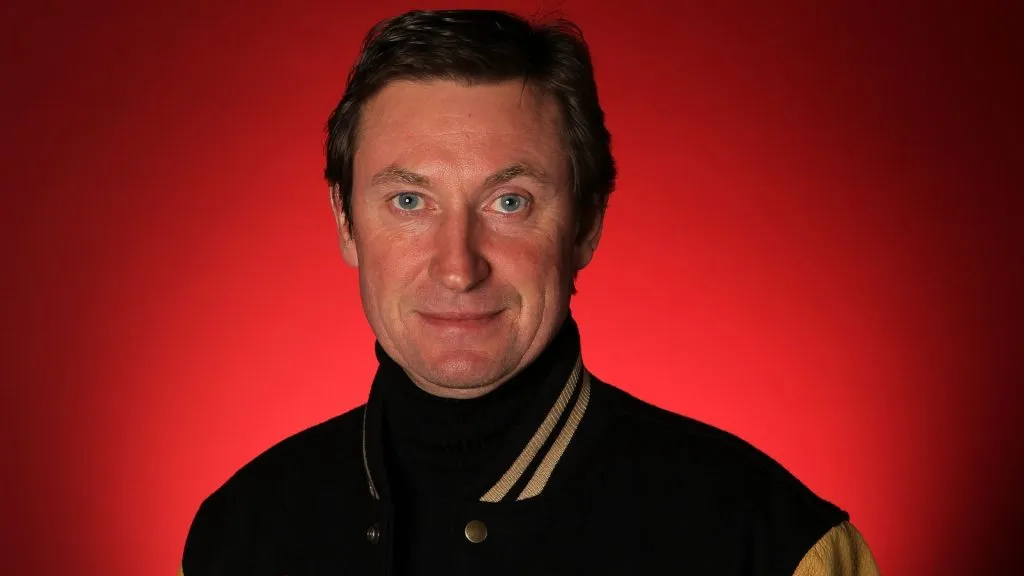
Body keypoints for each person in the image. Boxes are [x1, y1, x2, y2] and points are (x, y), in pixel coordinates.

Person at [182, 9, 879, 575]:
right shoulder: (236, 536)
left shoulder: (771, 545)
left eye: (509, 202)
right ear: (345, 223)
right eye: (408, 201)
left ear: (586, 226)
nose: (458, 268)